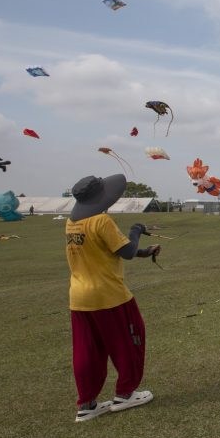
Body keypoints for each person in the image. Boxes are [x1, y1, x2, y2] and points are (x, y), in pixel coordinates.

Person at [65, 174, 160, 422]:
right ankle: (125, 394)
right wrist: (136, 230)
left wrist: (144, 252)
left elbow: (110, 251)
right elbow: (126, 251)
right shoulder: (101, 220)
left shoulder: (72, 222)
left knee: (87, 351)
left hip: (79, 298)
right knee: (130, 339)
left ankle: (87, 403)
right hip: (109, 295)